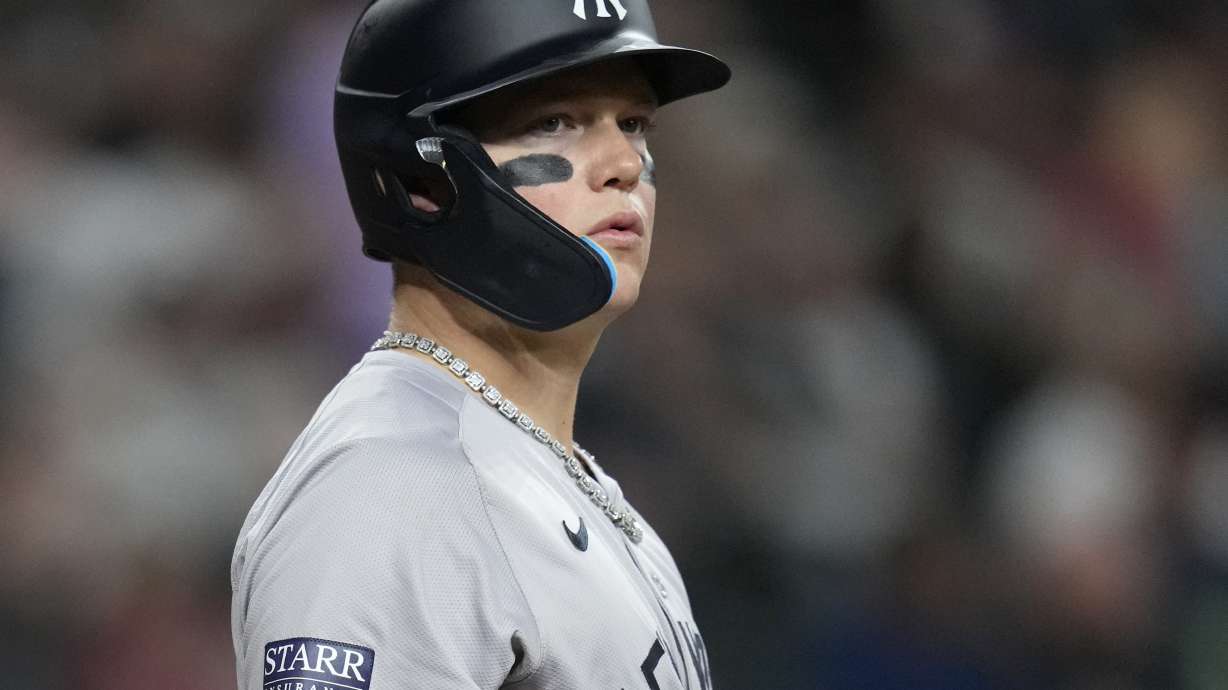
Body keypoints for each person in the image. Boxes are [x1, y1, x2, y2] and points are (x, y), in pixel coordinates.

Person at [229, 1, 730, 688]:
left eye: (635, 123)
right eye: (553, 122)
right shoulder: (390, 488)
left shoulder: (535, 470)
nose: (623, 162)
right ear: (422, 180)